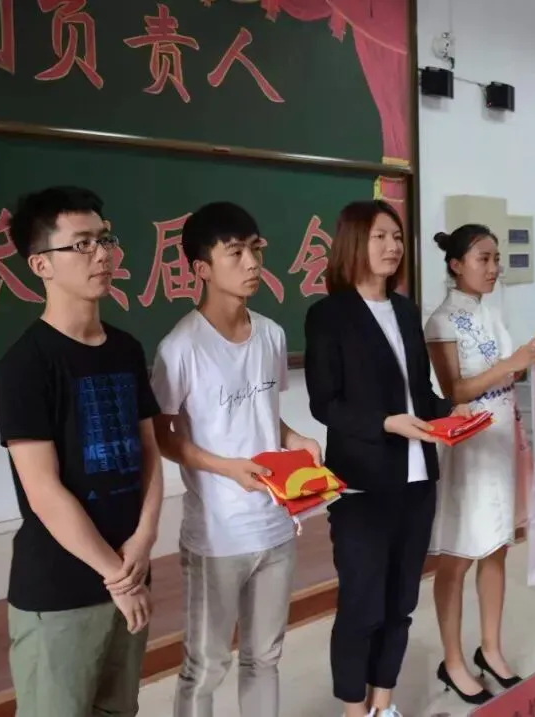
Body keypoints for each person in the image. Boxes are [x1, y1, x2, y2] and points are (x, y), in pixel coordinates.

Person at [0, 186, 162, 717]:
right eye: (82, 244)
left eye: (105, 240)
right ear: (41, 264)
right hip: (62, 590)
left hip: (131, 570)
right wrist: (116, 574)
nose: (102, 254)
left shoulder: (126, 348)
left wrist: (144, 539)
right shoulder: (25, 365)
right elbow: (43, 490)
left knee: (120, 709)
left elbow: (149, 453)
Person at [150, 201, 321, 717]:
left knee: (264, 657)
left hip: (276, 524)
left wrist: (296, 438)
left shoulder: (271, 334)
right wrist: (226, 468)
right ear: (202, 268)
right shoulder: (180, 347)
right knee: (205, 667)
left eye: (255, 250)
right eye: (235, 253)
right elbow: (163, 437)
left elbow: (264, 413)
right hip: (217, 536)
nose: (251, 263)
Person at [304, 199, 466, 717]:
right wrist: (384, 422)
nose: (393, 246)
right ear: (354, 242)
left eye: (396, 236)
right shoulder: (329, 315)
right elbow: (326, 403)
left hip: (417, 481)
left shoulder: (405, 311)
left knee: (400, 603)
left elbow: (420, 392)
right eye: (380, 236)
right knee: (362, 605)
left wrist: (454, 414)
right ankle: (355, 710)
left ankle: (383, 702)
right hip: (362, 484)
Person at [424, 224, 535, 704]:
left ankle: (491, 648)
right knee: (458, 555)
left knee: (497, 547)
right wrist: (510, 364)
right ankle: (452, 660)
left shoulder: (492, 313)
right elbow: (453, 391)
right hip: (469, 447)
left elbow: (508, 371)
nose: (493, 267)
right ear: (456, 264)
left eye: (496, 258)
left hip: (503, 438)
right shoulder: (442, 321)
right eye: (483, 258)